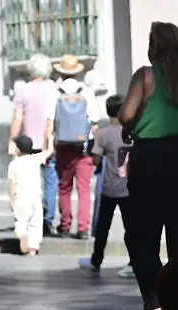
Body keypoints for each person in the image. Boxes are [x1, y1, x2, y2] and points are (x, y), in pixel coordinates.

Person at [118, 22, 178, 310]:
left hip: (150, 158)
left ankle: (155, 301)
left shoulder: (145, 76)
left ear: (153, 46)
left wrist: (135, 121)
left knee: (142, 233)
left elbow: (126, 115)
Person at [46, 54, 100, 239]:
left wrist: (49, 147)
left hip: (63, 146)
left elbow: (49, 124)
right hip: (83, 146)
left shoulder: (55, 93)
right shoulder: (87, 92)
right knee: (84, 188)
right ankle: (84, 228)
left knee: (64, 187)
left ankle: (65, 225)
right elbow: (94, 122)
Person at [80, 95, 131, 274]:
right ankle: (134, 262)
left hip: (109, 187)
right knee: (131, 227)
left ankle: (96, 260)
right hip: (128, 187)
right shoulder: (131, 131)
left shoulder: (102, 134)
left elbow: (95, 160)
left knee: (103, 226)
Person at [9, 55, 58, 238]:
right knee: (51, 181)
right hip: (49, 143)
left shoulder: (24, 90)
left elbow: (18, 118)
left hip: (27, 146)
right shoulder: (54, 88)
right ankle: (48, 219)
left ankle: (28, 217)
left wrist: (13, 141)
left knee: (26, 183)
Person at [8, 134, 53, 256]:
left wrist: (12, 200)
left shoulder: (13, 165)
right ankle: (33, 248)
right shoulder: (35, 159)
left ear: (17, 149)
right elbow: (50, 151)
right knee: (36, 223)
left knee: (21, 221)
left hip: (21, 198)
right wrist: (50, 138)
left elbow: (12, 185)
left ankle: (22, 234)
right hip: (35, 197)